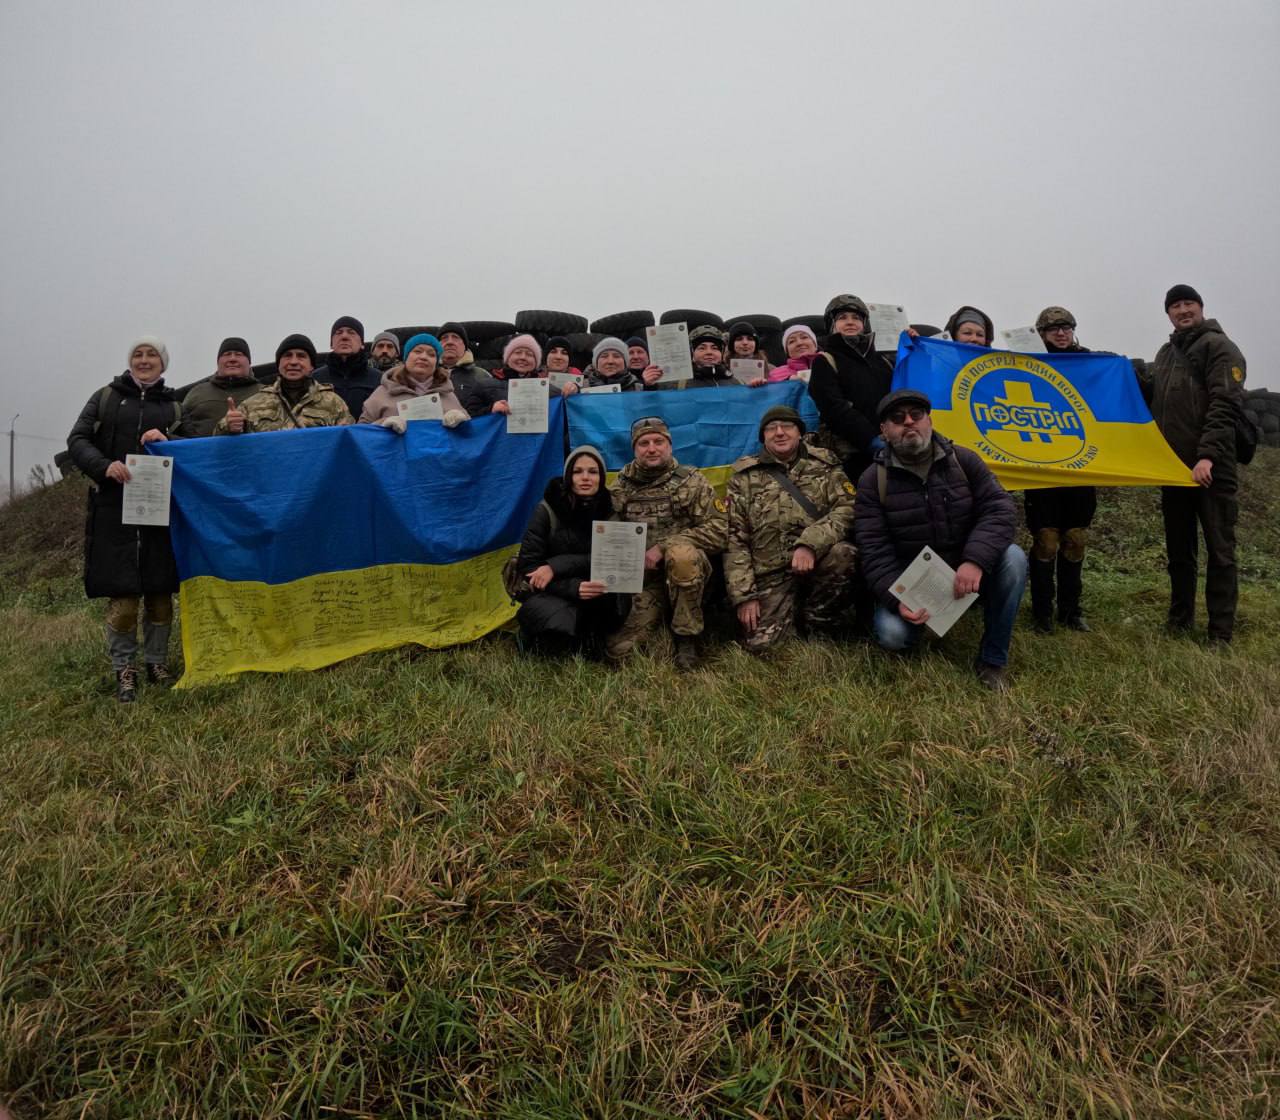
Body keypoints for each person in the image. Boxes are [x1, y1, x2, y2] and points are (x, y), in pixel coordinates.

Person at [854, 389, 1027, 691]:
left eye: (916, 415)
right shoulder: (872, 480)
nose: (909, 422)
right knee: (893, 637)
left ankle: (992, 660)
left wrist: (975, 560)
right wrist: (898, 600)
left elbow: (1000, 509)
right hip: (915, 581)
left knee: (1013, 558)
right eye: (897, 418)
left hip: (967, 571)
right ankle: (925, 623)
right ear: (884, 430)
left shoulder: (965, 460)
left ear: (929, 420)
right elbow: (873, 549)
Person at [66, 335, 183, 700]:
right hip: (114, 510)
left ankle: (157, 662)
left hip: (160, 511)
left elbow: (191, 446)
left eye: (152, 355)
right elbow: (78, 439)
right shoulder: (105, 397)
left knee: (161, 594)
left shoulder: (175, 405)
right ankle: (124, 669)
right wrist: (104, 467)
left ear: (163, 364)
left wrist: (167, 440)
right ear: (129, 361)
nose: (144, 360)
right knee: (124, 597)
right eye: (138, 354)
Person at [1138, 284, 1247, 643]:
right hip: (1174, 469)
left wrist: (1207, 456)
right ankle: (1180, 619)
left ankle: (1220, 631)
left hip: (1212, 468)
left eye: (1189, 304)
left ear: (1201, 307)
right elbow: (1155, 400)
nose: (1183, 310)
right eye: (1175, 306)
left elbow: (1224, 404)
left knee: (1220, 549)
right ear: (1167, 313)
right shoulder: (1166, 353)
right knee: (1179, 550)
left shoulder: (1220, 348)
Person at [725, 406, 857, 652]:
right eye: (771, 429)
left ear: (799, 432)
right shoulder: (744, 477)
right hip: (771, 573)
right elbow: (735, 539)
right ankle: (788, 614)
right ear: (763, 437)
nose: (779, 433)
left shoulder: (824, 465)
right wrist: (744, 596)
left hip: (818, 562)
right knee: (763, 648)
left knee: (844, 553)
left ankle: (819, 622)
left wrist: (810, 544)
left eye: (786, 426)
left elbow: (848, 509)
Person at [607, 417, 727, 668]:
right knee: (620, 652)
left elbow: (720, 530)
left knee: (681, 555)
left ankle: (687, 637)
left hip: (690, 575)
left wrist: (663, 546)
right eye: (644, 443)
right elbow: (610, 539)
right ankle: (659, 619)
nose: (652, 448)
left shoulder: (691, 481)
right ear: (634, 449)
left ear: (670, 446)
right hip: (646, 580)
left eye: (658, 441)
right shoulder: (620, 487)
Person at [512, 446, 630, 657]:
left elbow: (614, 561)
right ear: (568, 476)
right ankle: (535, 637)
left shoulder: (611, 511)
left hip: (596, 588)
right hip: (552, 591)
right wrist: (573, 587)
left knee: (619, 604)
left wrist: (555, 566)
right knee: (558, 629)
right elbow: (528, 567)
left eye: (593, 472)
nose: (585, 478)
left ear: (601, 478)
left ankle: (591, 638)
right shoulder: (546, 510)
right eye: (577, 471)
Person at [1025, 306, 1096, 632]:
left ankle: (1071, 611)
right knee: (1046, 540)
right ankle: (1041, 613)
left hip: (1079, 466)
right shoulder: (1025, 363)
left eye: (1066, 327)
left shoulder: (1088, 362)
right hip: (1040, 467)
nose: (1061, 333)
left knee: (1075, 539)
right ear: (1041, 333)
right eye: (1053, 329)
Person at [807, 294, 894, 481]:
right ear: (832, 325)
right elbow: (833, 407)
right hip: (848, 457)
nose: (850, 322)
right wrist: (870, 439)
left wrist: (914, 344)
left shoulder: (884, 361)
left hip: (893, 449)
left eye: (856, 318)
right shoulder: (825, 361)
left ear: (864, 324)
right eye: (842, 318)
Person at [214, 334, 354, 433]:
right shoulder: (253, 404)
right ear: (279, 365)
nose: (293, 362)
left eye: (301, 356)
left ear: (312, 366)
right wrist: (227, 426)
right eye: (287, 356)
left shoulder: (334, 404)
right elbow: (220, 446)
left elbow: (350, 443)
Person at [357, 332, 468, 426]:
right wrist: (382, 424)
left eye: (431, 354)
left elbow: (469, 432)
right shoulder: (383, 392)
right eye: (417, 351)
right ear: (406, 358)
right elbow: (360, 430)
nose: (423, 357)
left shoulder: (448, 394)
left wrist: (462, 421)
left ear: (436, 363)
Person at [174, 337, 263, 438]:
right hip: (204, 453)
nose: (232, 359)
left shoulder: (265, 393)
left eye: (239, 354)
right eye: (227, 354)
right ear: (218, 362)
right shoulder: (197, 393)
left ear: (249, 362)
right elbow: (178, 431)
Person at [313, 316, 381, 419]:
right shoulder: (315, 379)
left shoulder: (378, 379)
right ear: (331, 344)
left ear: (362, 344)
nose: (344, 337)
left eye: (351, 332)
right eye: (339, 332)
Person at [437, 322, 496, 418]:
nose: (449, 342)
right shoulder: (426, 375)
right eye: (444, 338)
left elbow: (493, 408)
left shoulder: (481, 375)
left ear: (464, 346)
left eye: (455, 337)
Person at [568, 337, 642, 392]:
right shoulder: (580, 388)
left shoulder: (639, 388)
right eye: (604, 356)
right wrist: (570, 390)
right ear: (595, 364)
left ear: (625, 363)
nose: (610, 361)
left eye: (616, 356)